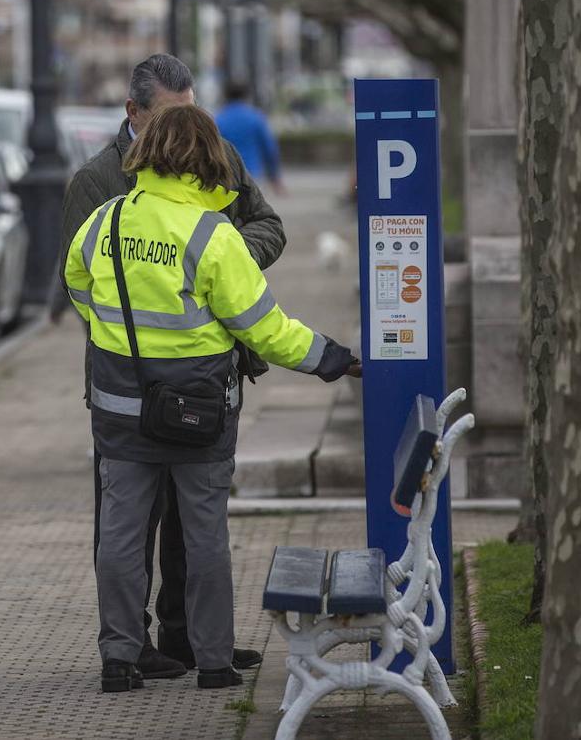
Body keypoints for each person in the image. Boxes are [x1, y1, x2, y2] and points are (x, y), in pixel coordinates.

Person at [64, 103, 360, 692]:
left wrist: (116, 338)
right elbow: (266, 328)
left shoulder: (105, 221)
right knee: (203, 538)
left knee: (121, 537)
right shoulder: (213, 235)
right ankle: (215, 663)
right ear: (207, 159)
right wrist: (333, 359)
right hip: (198, 411)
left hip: (119, 408)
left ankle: (119, 659)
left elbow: (77, 282)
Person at [51, 53, 283, 680]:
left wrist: (227, 265)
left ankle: (189, 640)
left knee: (192, 526)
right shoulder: (97, 182)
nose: (185, 130)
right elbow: (82, 284)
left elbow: (267, 224)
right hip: (129, 387)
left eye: (191, 114)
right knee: (131, 525)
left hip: (205, 377)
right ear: (134, 114)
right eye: (169, 117)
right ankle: (136, 645)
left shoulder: (217, 153)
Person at [214, 83, 283, 193]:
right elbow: (269, 148)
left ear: (226, 96)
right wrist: (274, 176)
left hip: (228, 176)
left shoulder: (218, 119)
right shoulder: (255, 117)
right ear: (246, 96)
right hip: (253, 174)